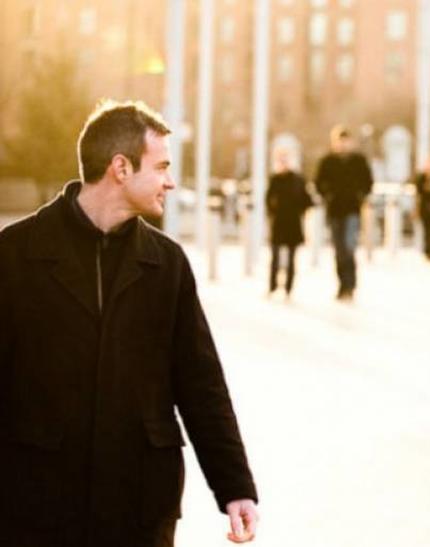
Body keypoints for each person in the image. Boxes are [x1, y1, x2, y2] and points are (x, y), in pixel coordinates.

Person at [0, 100, 258, 547]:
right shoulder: (15, 254)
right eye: (161, 167)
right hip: (37, 504)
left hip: (140, 505)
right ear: (121, 167)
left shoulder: (167, 263)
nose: (170, 182)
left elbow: (201, 383)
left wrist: (234, 486)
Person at [314, 125, 374, 300]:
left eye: (345, 141)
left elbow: (368, 182)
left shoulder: (358, 161)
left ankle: (350, 284)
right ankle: (342, 285)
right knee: (339, 249)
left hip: (352, 209)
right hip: (334, 210)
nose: (342, 144)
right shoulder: (327, 161)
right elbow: (319, 183)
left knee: (349, 246)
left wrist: (360, 195)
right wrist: (327, 195)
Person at [266, 147, 313, 297]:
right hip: (278, 223)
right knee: (275, 257)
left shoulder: (298, 180)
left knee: (292, 258)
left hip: (293, 223)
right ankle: (272, 286)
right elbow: (268, 201)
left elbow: (307, 201)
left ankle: (288, 288)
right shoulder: (274, 179)